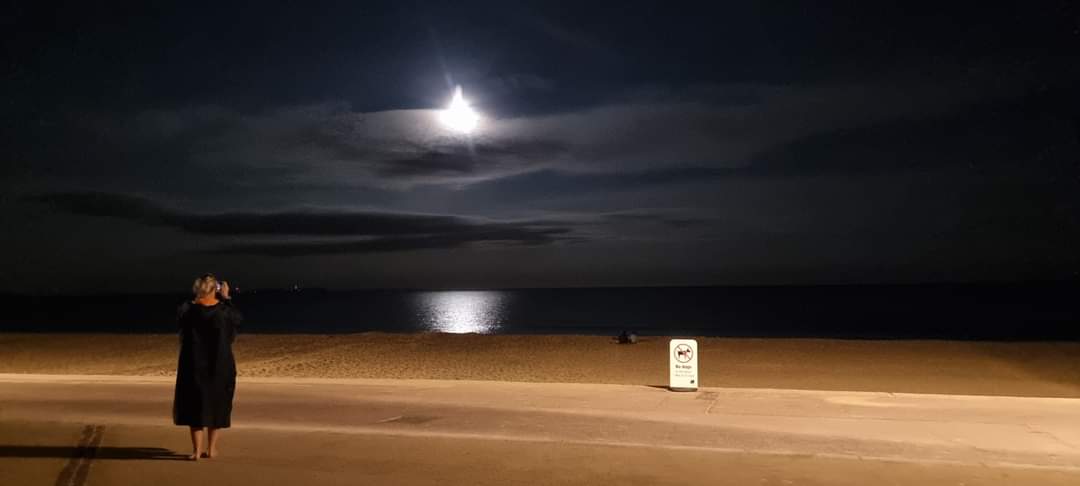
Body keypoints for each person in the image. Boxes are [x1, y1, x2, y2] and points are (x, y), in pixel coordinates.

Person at [173, 274, 241, 461]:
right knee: (216, 405)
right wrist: (226, 297)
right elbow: (235, 324)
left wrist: (199, 299)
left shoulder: (188, 310)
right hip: (220, 364)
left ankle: (197, 450)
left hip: (193, 364)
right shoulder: (224, 311)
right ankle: (211, 449)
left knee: (196, 406)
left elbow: (181, 322)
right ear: (215, 289)